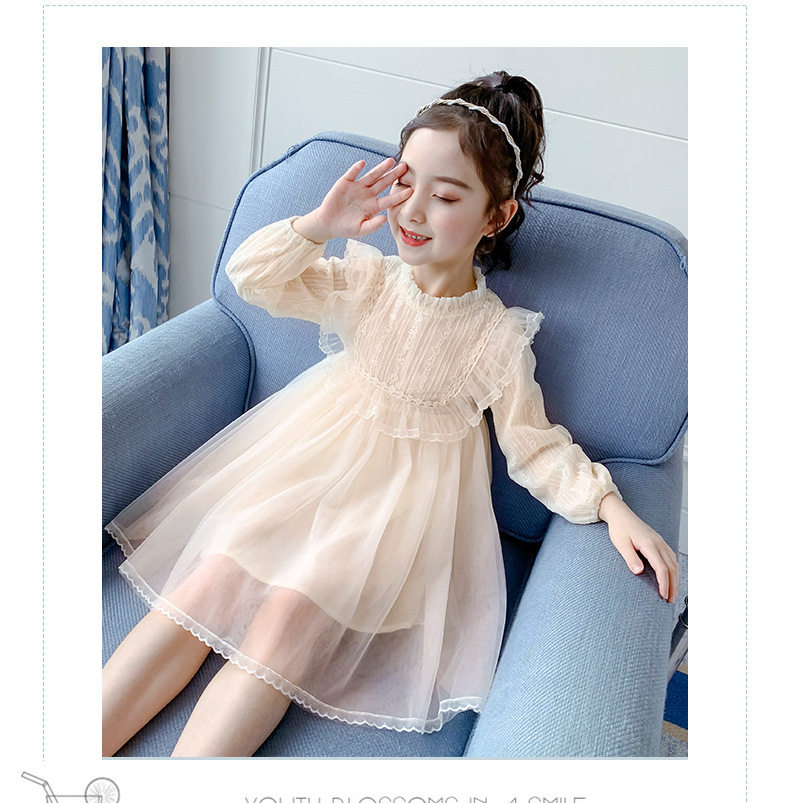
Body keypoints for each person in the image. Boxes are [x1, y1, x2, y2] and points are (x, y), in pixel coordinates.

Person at [102, 71, 679, 758]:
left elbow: (534, 446)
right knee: (209, 580)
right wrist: (318, 226)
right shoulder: (368, 280)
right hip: (303, 472)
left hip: (390, 521)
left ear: (496, 218)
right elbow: (252, 278)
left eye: (447, 196)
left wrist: (609, 506)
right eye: (407, 182)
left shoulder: (496, 337)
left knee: (289, 614)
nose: (415, 210)